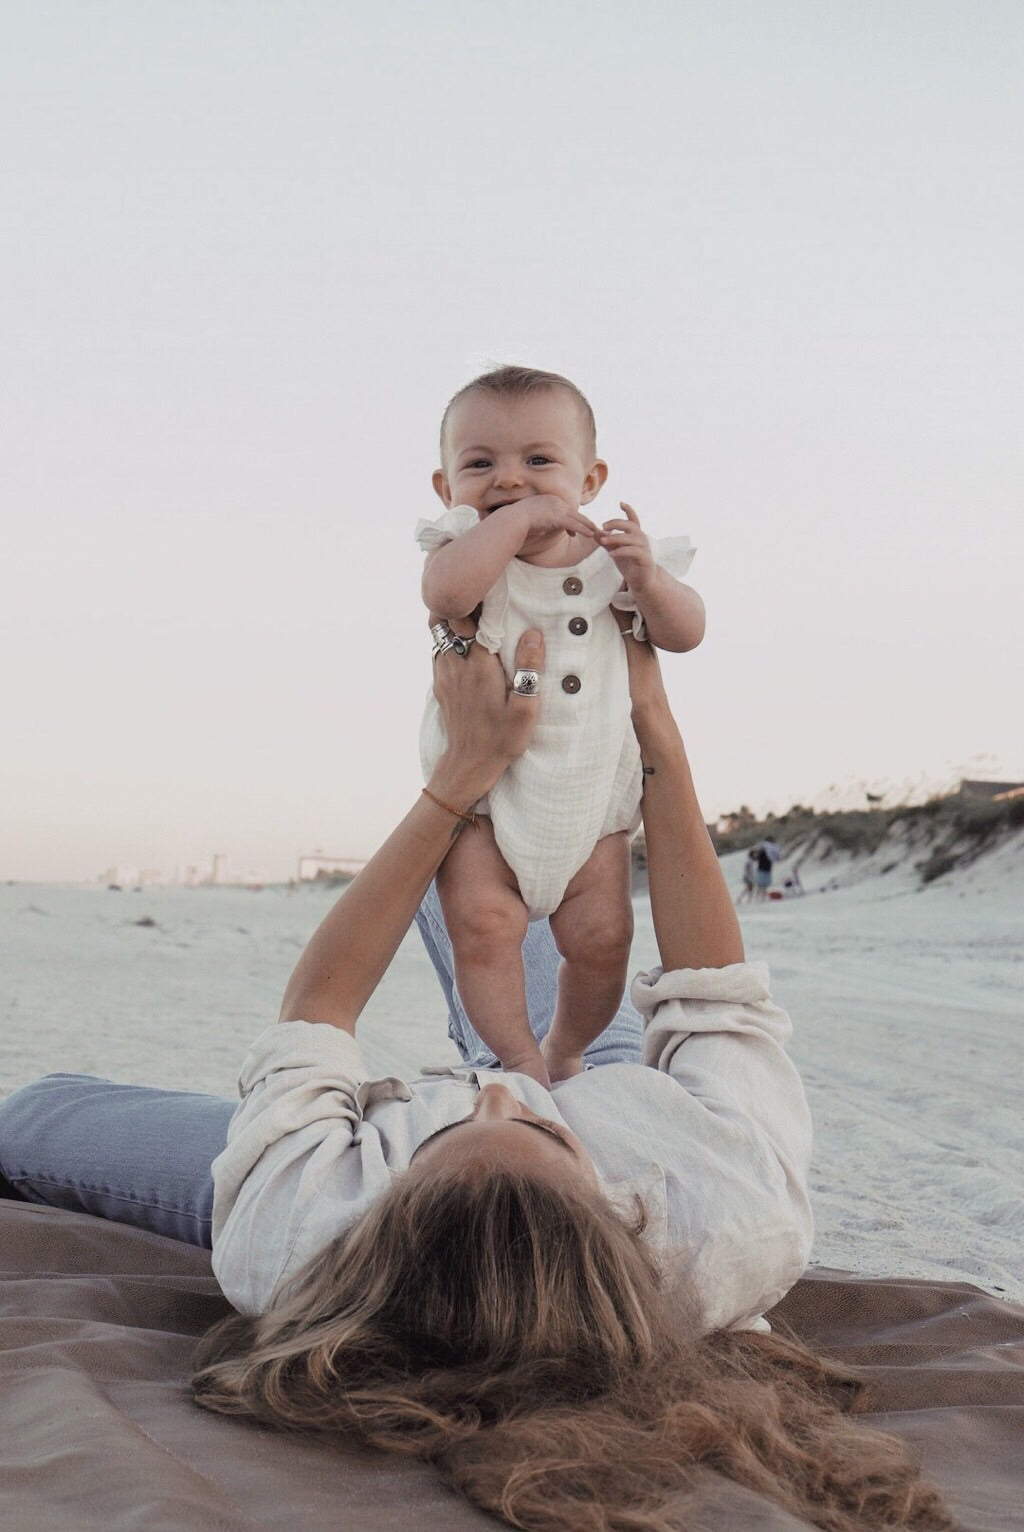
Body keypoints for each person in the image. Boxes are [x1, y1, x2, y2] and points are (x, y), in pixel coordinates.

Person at [0, 627, 952, 1531]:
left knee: (35, 1117)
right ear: (621, 1210)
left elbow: (321, 1005)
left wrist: (458, 776)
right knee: (520, 880)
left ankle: (484, 791)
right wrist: (650, 719)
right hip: (607, 1081)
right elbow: (713, 993)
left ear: (384, 1206)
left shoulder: (297, 1233)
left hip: (387, 1154)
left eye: (457, 1125)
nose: (502, 1085)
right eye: (538, 1128)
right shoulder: (730, 1214)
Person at [418, 364, 705, 1087]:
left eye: (538, 462)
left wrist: (652, 582)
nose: (509, 481)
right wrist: (512, 524)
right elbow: (444, 591)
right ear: (446, 488)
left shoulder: (615, 561)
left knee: (604, 938)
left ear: (590, 480)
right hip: (486, 803)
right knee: (481, 928)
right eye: (480, 465)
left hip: (590, 805)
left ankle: (568, 1048)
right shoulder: (469, 558)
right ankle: (517, 1059)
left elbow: (686, 633)